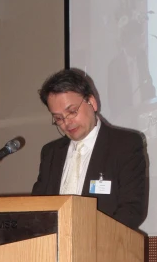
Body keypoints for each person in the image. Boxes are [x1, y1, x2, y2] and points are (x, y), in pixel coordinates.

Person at [32, 68, 148, 230]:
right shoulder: (51, 152)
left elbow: (132, 210)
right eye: (58, 118)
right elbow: (37, 207)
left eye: (72, 111)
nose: (67, 122)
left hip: (103, 248)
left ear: (91, 102)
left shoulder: (124, 145)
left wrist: (91, 240)